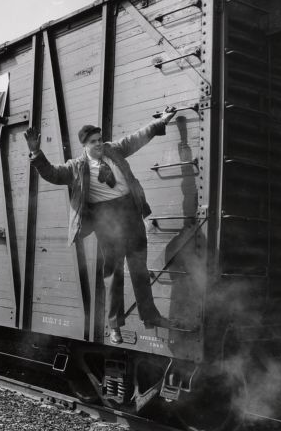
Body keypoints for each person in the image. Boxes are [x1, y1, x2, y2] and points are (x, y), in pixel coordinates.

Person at [25, 107, 191, 345]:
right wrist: (35, 152)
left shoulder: (113, 150)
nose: (99, 144)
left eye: (100, 140)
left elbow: (136, 139)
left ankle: (150, 316)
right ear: (84, 146)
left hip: (130, 213)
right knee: (113, 275)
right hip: (106, 219)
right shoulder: (76, 167)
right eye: (94, 142)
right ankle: (115, 327)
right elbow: (52, 173)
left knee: (139, 268)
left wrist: (161, 122)